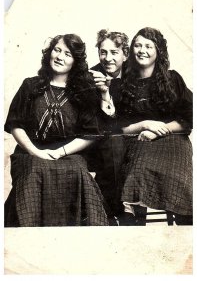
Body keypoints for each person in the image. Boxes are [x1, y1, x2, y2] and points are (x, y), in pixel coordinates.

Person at [4, 33, 109, 227]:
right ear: (49, 53)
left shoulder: (83, 92)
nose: (60, 57)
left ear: (75, 61)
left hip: (69, 153)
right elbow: (15, 125)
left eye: (67, 54)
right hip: (30, 153)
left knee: (77, 170)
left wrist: (59, 152)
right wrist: (36, 152)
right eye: (57, 50)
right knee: (35, 170)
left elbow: (90, 134)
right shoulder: (30, 85)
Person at [117, 27, 193, 225]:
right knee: (138, 170)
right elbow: (119, 128)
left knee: (178, 178)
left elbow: (188, 119)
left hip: (174, 142)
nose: (142, 50)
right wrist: (144, 126)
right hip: (138, 142)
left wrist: (159, 131)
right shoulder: (124, 84)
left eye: (148, 46)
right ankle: (133, 221)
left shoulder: (172, 79)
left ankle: (187, 225)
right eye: (138, 45)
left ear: (158, 51)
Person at [88, 29, 129, 219]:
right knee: (113, 146)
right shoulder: (90, 77)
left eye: (114, 52)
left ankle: (130, 213)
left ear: (125, 54)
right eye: (103, 52)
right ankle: (111, 216)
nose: (108, 58)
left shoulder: (135, 75)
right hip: (99, 144)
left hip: (133, 141)